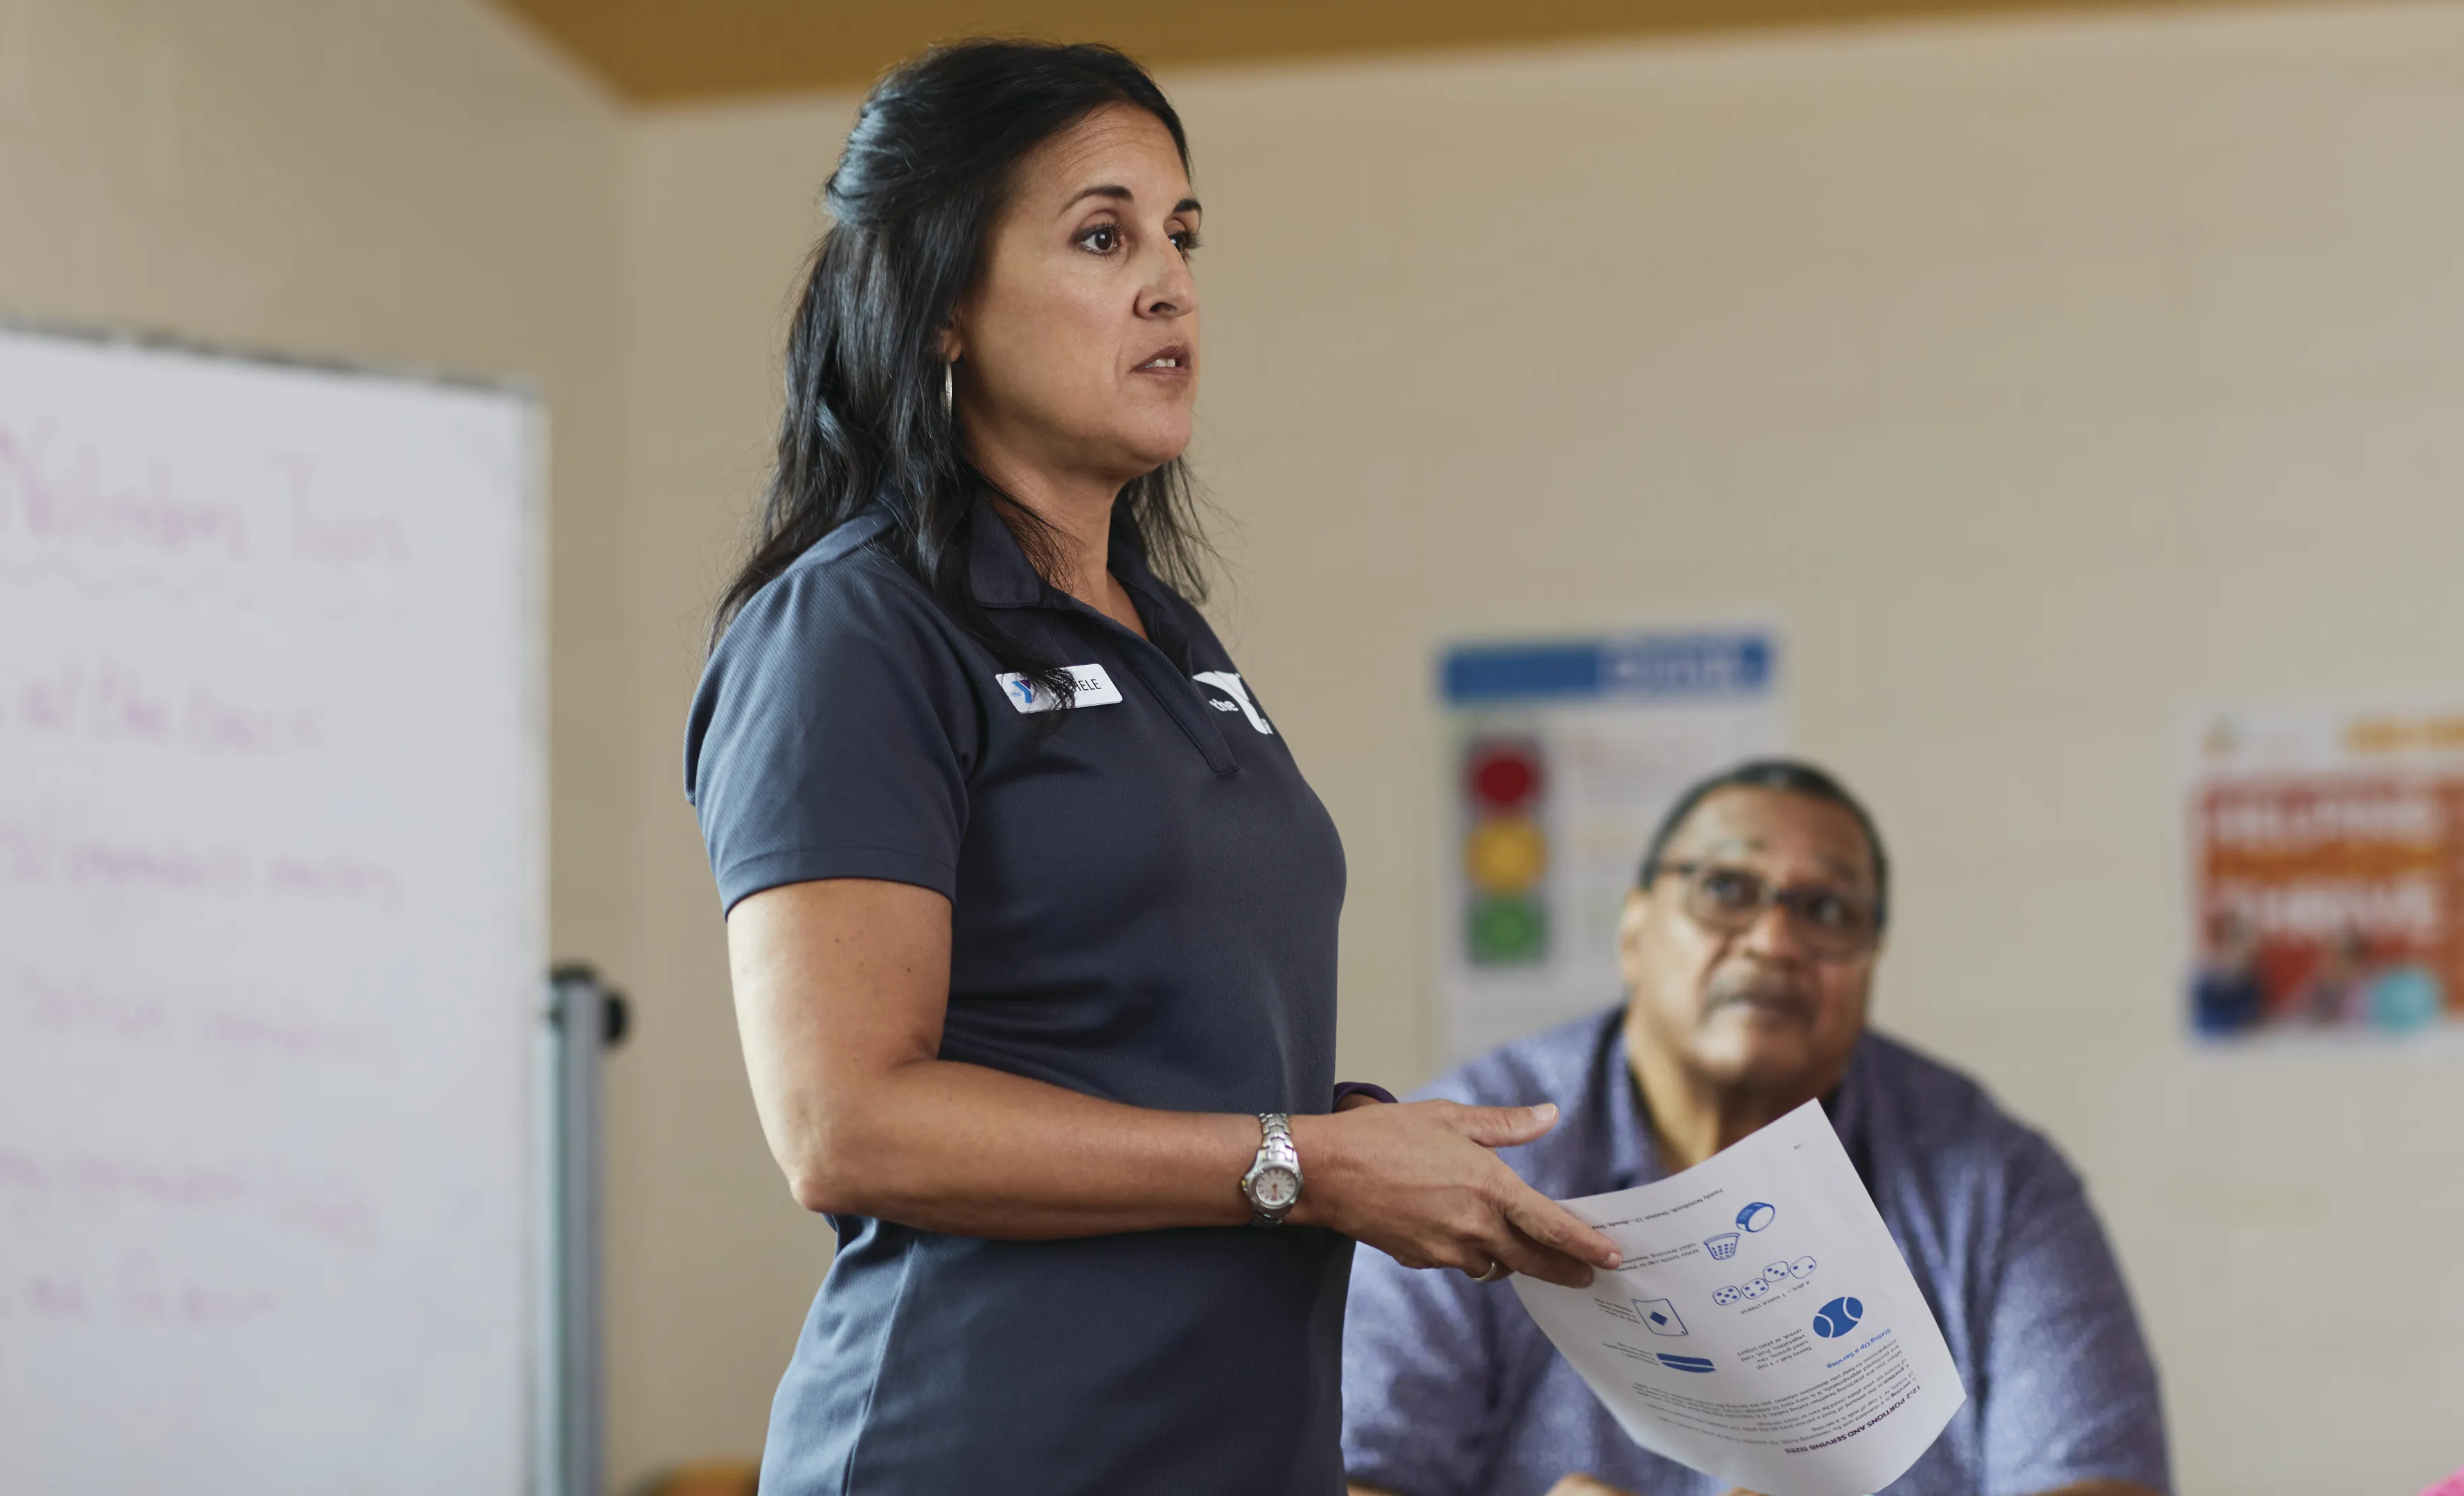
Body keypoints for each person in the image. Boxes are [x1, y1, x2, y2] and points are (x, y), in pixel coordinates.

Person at [683, 40, 1621, 1496]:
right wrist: (1304, 1166)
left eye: (1182, 236)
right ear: (940, 306)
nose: (1172, 284)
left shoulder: (1173, 642)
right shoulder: (853, 627)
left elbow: (1171, 1060)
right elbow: (843, 1124)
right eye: (1102, 236)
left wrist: (1365, 1148)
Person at [1342, 759, 2172, 1496]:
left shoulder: (1996, 1184)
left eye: (1826, 909)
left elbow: (2098, 1474)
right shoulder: (1476, 1156)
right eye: (1727, 891)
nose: (1776, 940)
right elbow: (1351, 1473)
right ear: (1634, 928)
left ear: (1872, 960)